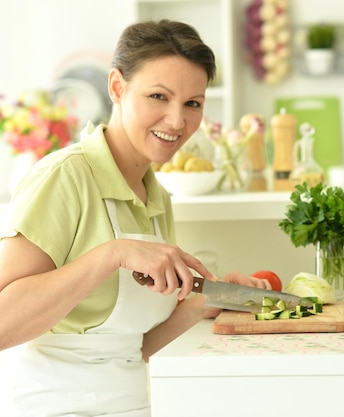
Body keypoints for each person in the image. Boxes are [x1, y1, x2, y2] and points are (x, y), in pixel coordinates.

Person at [0, 20, 271, 417]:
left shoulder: (156, 194)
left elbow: (132, 350)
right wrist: (114, 254)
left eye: (192, 103)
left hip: (134, 405)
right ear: (117, 87)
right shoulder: (66, 177)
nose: (177, 121)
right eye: (158, 96)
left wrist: (202, 304)